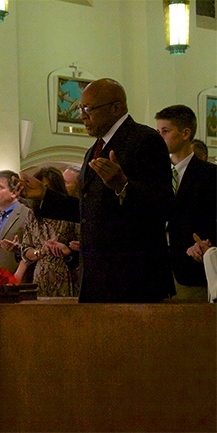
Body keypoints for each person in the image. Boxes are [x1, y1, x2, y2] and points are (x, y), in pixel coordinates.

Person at [19, 78, 174, 303]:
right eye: (81, 108)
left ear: (116, 107)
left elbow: (163, 205)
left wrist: (123, 186)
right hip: (97, 278)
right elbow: (89, 210)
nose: (82, 115)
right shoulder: (94, 149)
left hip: (134, 279)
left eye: (89, 108)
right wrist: (45, 195)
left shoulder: (144, 140)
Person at [155, 104, 217, 301]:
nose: (159, 137)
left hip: (191, 270)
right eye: (157, 131)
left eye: (165, 131)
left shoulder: (209, 174)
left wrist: (208, 243)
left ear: (185, 133)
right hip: (157, 272)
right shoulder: (156, 174)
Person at [20, 167, 80, 297]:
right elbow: (25, 249)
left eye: (47, 187)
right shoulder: (33, 213)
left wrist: (68, 251)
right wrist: (40, 251)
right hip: (41, 276)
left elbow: (81, 247)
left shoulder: (70, 212)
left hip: (67, 275)